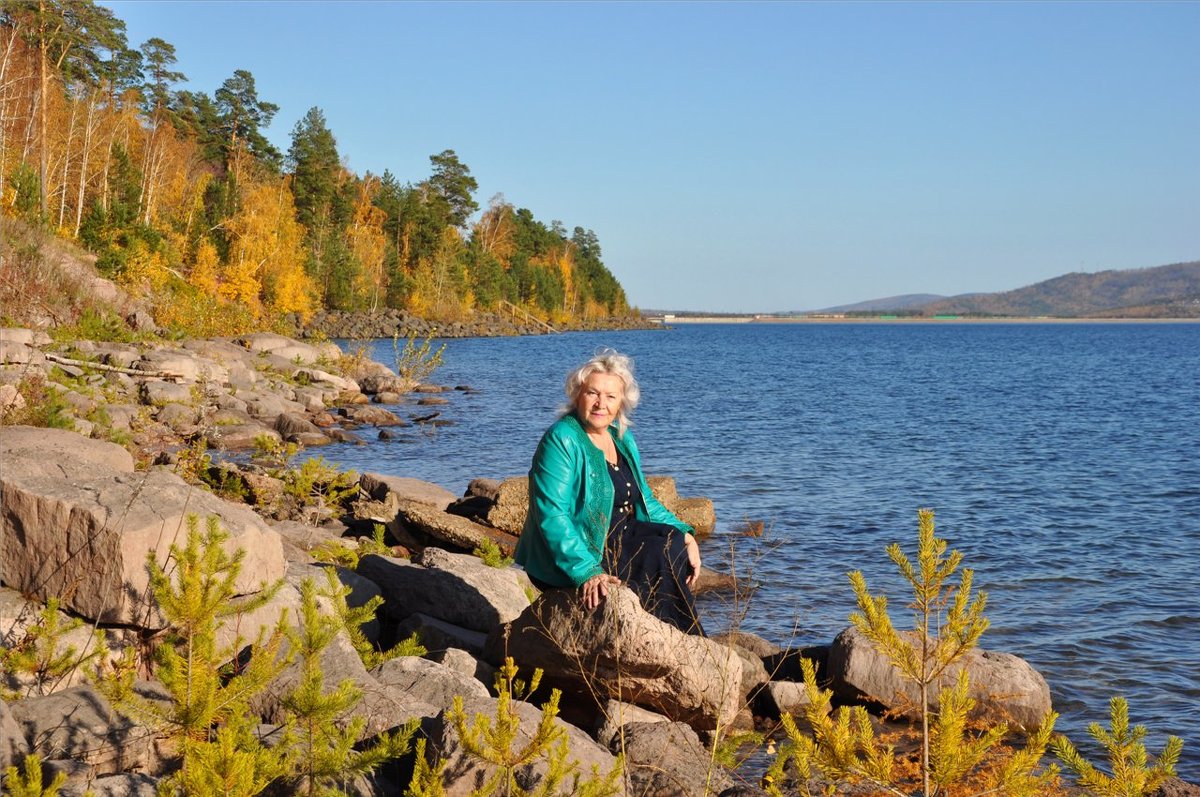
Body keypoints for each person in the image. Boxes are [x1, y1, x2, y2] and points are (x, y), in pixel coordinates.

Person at [514, 350, 704, 635]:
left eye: (611, 396)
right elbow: (552, 514)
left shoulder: (621, 437)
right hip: (583, 548)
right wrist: (586, 570)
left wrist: (686, 533)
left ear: (621, 403)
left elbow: (645, 500)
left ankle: (676, 639)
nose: (601, 403)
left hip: (618, 536)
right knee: (656, 555)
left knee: (674, 543)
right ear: (578, 395)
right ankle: (666, 639)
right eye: (593, 393)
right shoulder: (562, 439)